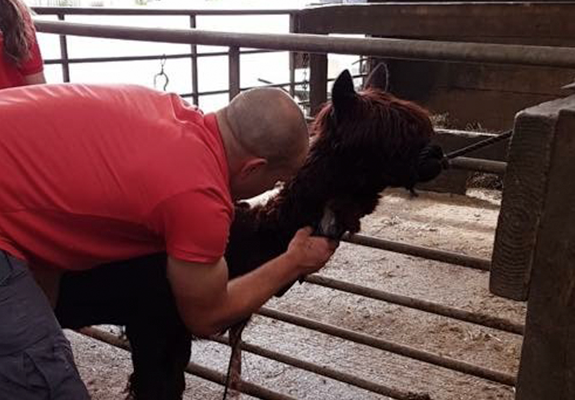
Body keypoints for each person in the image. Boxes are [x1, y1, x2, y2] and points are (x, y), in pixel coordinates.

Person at [0, 83, 338, 399]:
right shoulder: (199, 195)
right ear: (253, 168)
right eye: (276, 180)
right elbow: (206, 316)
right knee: (45, 382)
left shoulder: (166, 108)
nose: (271, 189)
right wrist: (293, 261)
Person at [0, 0, 45, 89]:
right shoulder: (15, 10)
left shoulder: (15, 11)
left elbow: (36, 81)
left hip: (15, 98)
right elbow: (37, 83)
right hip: (16, 98)